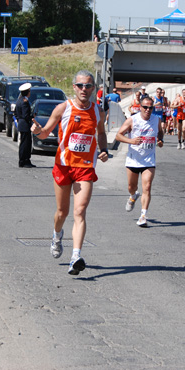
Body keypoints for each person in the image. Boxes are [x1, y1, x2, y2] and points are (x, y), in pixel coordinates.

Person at [30, 70, 109, 276]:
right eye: (81, 85)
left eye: (89, 86)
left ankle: (76, 256)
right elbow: (46, 132)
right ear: (74, 87)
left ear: (94, 89)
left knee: (79, 211)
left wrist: (104, 150)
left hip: (85, 168)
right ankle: (57, 236)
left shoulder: (97, 111)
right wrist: (37, 130)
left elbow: (101, 133)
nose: (85, 89)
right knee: (62, 212)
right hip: (64, 166)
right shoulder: (63, 108)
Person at [116, 97, 164, 227]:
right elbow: (118, 135)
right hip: (133, 160)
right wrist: (131, 141)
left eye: (150, 108)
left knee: (147, 187)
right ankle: (133, 196)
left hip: (149, 160)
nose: (148, 110)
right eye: (145, 107)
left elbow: (160, 132)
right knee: (132, 187)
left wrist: (160, 140)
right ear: (140, 107)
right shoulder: (132, 120)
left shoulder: (156, 120)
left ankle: (143, 215)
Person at [15, 83, 36, 168]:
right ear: (27, 92)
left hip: (22, 124)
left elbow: (16, 114)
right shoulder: (24, 102)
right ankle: (24, 161)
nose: (30, 93)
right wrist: (32, 116)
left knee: (26, 143)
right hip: (25, 125)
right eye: (29, 91)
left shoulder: (19, 100)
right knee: (25, 144)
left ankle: (26, 160)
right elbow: (25, 115)